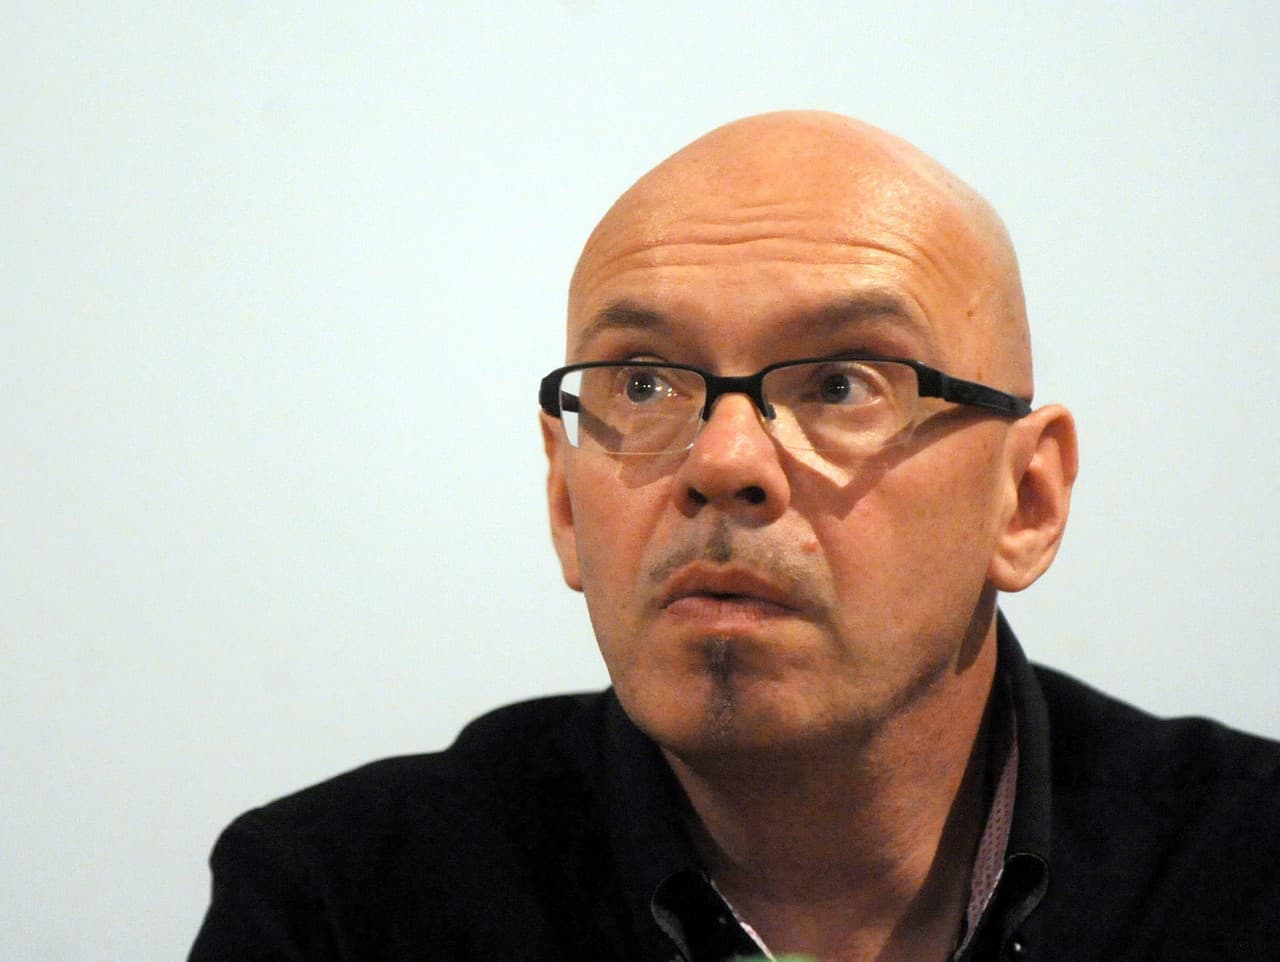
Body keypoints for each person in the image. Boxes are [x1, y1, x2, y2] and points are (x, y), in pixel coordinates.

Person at [189, 111, 1280, 962]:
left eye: (842, 382)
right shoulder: (341, 907)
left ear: (1026, 500)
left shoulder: (1244, 877)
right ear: (565, 500)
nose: (722, 461)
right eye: (643, 382)